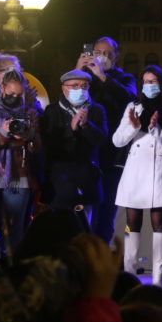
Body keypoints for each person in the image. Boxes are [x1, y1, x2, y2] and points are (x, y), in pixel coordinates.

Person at [112, 65, 162, 286]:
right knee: (133, 223)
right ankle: (131, 277)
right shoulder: (134, 107)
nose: (149, 86)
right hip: (135, 171)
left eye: (153, 82)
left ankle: (158, 280)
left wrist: (155, 128)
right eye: (145, 82)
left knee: (160, 224)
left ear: (161, 83)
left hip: (158, 171)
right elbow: (117, 140)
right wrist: (134, 127)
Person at [75, 37, 137, 242]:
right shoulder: (84, 78)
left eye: (108, 53)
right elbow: (70, 96)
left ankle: (102, 254)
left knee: (106, 209)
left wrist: (102, 76)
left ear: (117, 56)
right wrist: (78, 69)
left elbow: (130, 97)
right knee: (82, 208)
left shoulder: (124, 78)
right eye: (99, 52)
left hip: (112, 153)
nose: (103, 57)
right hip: (86, 151)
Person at [0, 70, 43, 260]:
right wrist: (2, 133)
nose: (15, 98)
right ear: (2, 88)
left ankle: (13, 264)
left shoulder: (29, 112)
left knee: (16, 225)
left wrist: (29, 135)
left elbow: (37, 147)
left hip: (19, 174)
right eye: (11, 94)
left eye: (18, 95)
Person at [41, 70, 108, 217]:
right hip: (60, 178)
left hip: (87, 176)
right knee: (61, 224)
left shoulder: (97, 110)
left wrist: (86, 126)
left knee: (85, 224)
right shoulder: (52, 111)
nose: (80, 90)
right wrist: (70, 129)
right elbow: (49, 143)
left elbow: (102, 140)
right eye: (75, 86)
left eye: (84, 86)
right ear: (63, 88)